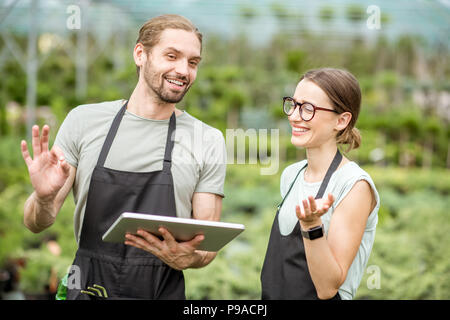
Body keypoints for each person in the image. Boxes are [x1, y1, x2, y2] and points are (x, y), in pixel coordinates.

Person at [21, 14, 226, 300]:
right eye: (172, 56)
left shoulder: (207, 140)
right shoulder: (84, 122)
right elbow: (36, 222)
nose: (183, 70)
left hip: (160, 290)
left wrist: (189, 258)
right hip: (89, 286)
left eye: (193, 62)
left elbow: (207, 243)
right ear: (140, 54)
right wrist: (43, 198)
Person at [261, 68, 379, 300]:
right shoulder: (291, 175)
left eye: (308, 109)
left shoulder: (354, 185)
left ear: (341, 120)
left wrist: (312, 225)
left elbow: (327, 288)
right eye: (293, 104)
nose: (294, 116)